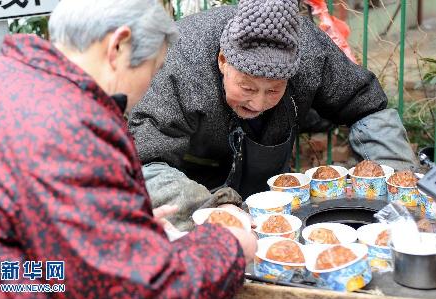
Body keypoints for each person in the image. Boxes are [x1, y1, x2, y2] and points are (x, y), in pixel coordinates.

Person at [0, 0, 257, 299]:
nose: (147, 89)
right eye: (152, 71)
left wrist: (115, 223)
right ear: (118, 47)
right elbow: (140, 289)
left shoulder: (7, 76)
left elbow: (46, 265)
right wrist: (228, 247)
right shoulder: (72, 127)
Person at [128, 0, 419, 222]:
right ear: (222, 61)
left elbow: (366, 107)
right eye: (247, 87)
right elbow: (145, 165)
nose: (257, 103)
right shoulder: (180, 61)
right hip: (191, 197)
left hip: (271, 205)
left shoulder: (309, 51)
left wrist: (400, 191)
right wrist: (215, 212)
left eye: (274, 90)